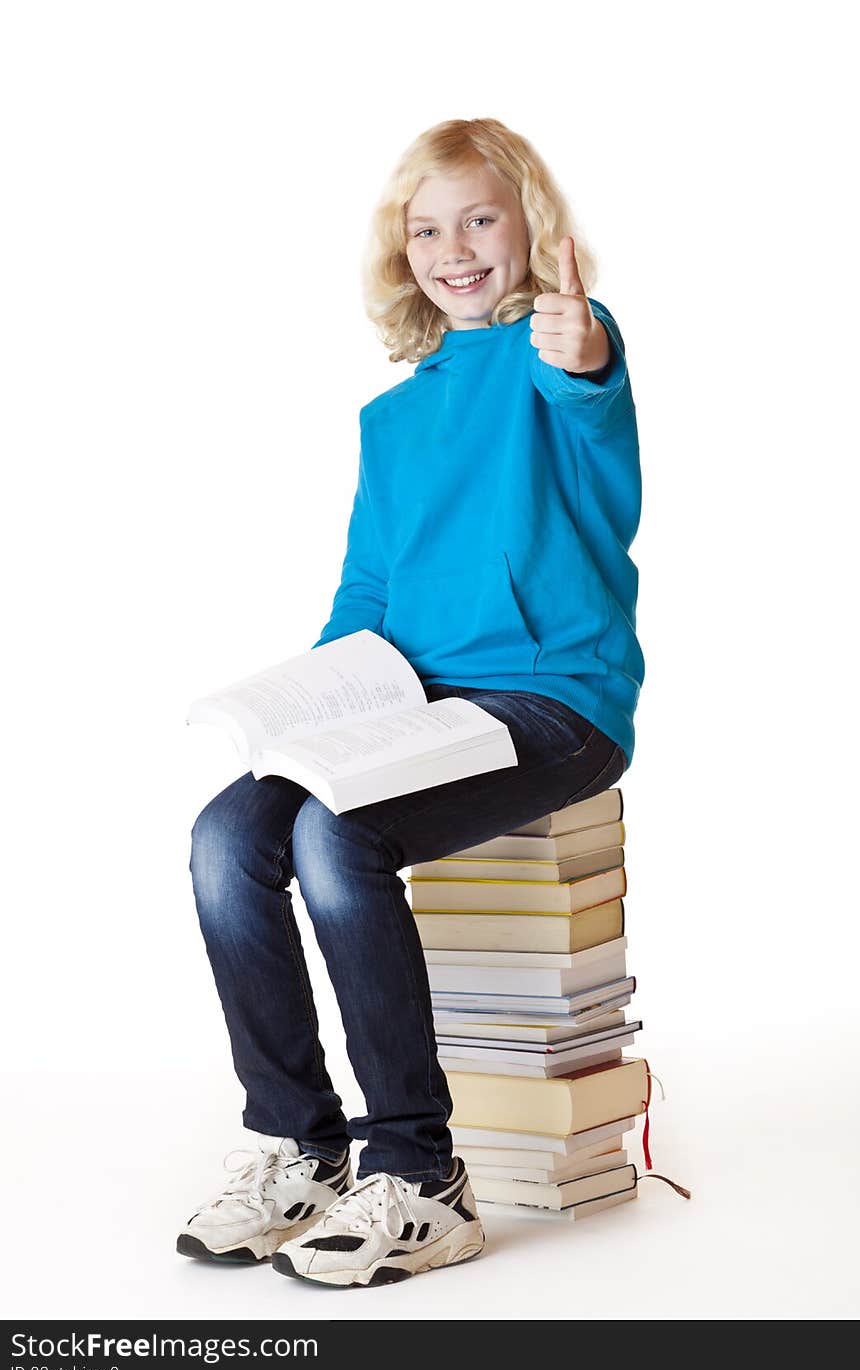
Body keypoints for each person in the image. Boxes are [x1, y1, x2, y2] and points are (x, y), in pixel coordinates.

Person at [178, 116, 644, 1289]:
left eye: (481, 217)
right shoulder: (391, 419)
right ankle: (300, 1146)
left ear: (528, 226)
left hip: (552, 702)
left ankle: (420, 1170)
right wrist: (315, 701)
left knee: (339, 839)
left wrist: (581, 346)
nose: (455, 246)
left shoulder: (559, 352)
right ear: (402, 252)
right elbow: (370, 587)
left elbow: (589, 395)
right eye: (426, 227)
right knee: (227, 836)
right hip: (415, 702)